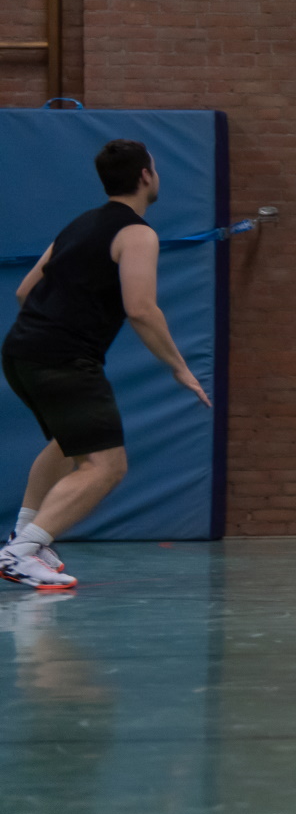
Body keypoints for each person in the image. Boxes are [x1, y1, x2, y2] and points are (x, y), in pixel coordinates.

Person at [1, 139, 212, 589]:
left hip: (20, 351)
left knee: (68, 443)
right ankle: (19, 554)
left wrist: (47, 330)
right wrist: (179, 366)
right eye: (155, 168)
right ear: (145, 176)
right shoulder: (137, 233)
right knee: (106, 466)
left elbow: (24, 291)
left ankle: (24, 536)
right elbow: (141, 309)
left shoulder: (81, 223)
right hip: (62, 359)